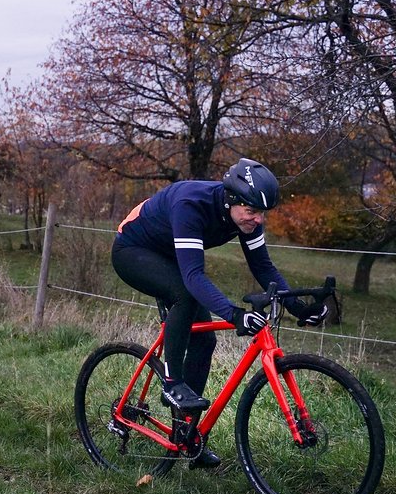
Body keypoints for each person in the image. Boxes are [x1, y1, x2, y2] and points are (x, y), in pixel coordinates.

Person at [111, 158, 328, 468]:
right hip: (134, 251)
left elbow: (263, 266)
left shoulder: (246, 216)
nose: (257, 220)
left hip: (171, 254)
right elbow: (193, 277)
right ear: (231, 200)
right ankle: (171, 384)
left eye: (261, 213)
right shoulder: (191, 205)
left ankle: (189, 439)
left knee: (205, 342)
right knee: (184, 294)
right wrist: (233, 314)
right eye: (252, 212)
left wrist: (298, 308)